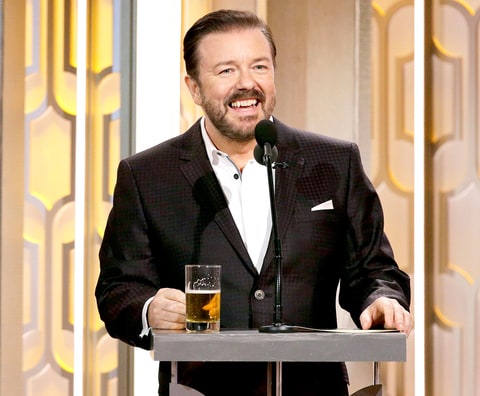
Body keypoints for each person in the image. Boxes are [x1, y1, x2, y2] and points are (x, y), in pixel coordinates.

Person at [96, 9, 412, 396]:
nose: (247, 84)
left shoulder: (333, 163)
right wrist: (148, 310)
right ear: (193, 87)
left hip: (311, 388)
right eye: (226, 71)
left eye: (259, 66)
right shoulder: (147, 175)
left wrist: (381, 298)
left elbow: (372, 268)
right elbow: (119, 287)